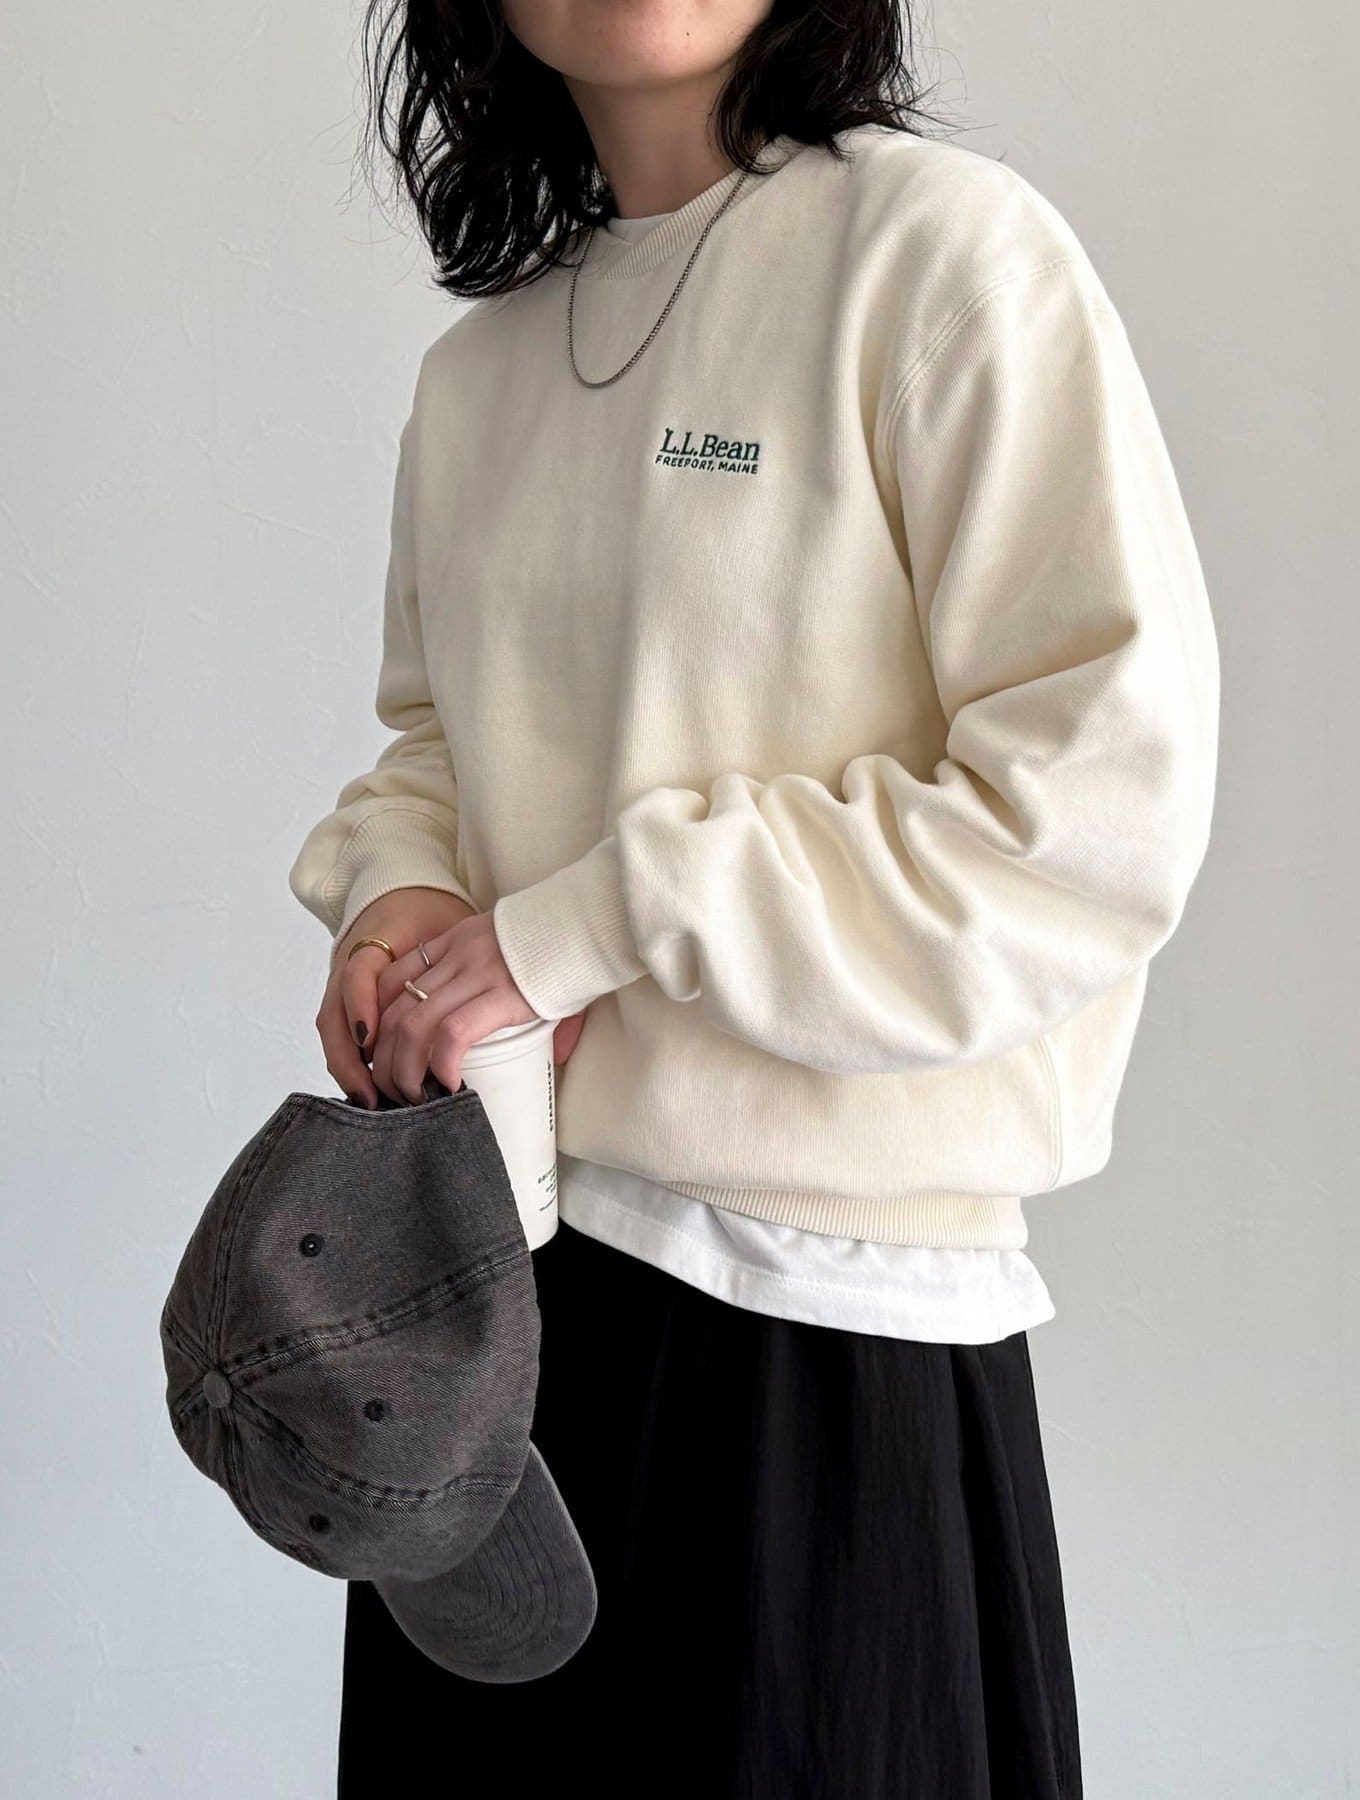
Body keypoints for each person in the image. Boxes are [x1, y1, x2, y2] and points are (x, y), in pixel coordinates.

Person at [288, 2, 1220, 1793]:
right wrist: (398, 896)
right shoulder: (477, 375)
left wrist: (584, 929)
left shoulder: (939, 257)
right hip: (491, 1327)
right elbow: (436, 746)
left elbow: (1091, 811)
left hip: (824, 1346)